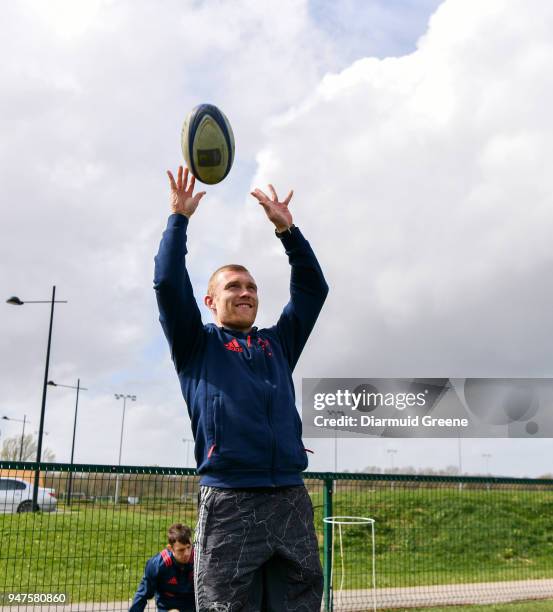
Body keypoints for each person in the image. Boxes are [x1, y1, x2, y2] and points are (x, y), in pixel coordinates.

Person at [154, 166, 329, 611]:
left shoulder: (277, 343)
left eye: (252, 286)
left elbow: (312, 289)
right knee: (223, 606)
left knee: (301, 603)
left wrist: (288, 231)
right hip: (231, 498)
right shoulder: (196, 344)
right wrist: (179, 220)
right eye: (234, 286)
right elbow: (168, 283)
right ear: (210, 301)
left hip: (289, 496)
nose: (246, 292)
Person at [130, 523, 195, 612]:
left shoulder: (200, 561)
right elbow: (142, 595)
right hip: (168, 609)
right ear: (170, 548)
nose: (187, 553)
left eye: (189, 547)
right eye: (181, 550)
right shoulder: (157, 565)